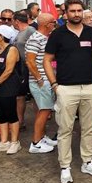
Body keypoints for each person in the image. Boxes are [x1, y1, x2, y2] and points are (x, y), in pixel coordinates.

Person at [44, 0, 92, 183]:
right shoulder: (57, 34)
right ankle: (65, 166)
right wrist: (54, 85)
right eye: (73, 11)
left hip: (90, 87)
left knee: (88, 129)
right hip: (66, 88)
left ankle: (87, 161)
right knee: (65, 129)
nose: (76, 14)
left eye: (79, 10)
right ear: (66, 13)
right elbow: (47, 60)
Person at [0, 25, 23, 155]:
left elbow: (9, 70)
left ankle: (14, 142)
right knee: (0, 114)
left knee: (11, 114)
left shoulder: (12, 49)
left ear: (1, 37)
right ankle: (3, 142)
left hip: (8, 86)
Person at [25, 13, 58, 154]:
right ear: (46, 24)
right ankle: (36, 143)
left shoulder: (44, 38)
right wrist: (39, 79)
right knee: (44, 111)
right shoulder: (35, 39)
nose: (55, 24)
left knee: (43, 110)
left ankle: (42, 137)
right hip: (40, 81)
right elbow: (30, 61)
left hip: (44, 80)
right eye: (53, 22)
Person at [12, 10, 35, 132]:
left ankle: (40, 120)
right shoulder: (19, 33)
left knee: (34, 95)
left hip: (29, 66)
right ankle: (20, 121)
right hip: (19, 67)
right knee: (19, 96)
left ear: (17, 21)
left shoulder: (30, 30)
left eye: (12, 20)